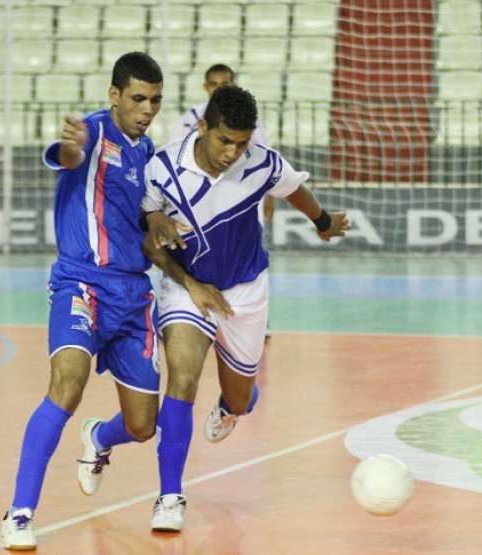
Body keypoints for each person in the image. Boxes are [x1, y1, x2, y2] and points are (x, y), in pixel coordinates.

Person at [141, 85, 350, 532]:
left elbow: (294, 189)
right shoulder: (163, 168)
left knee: (240, 399)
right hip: (187, 288)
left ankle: (232, 404)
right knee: (181, 377)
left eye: (241, 143)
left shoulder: (261, 162)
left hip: (246, 293)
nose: (232, 153)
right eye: (224, 141)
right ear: (203, 127)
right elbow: (148, 235)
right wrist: (161, 234)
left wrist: (322, 222)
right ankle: (169, 497)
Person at [0, 52, 166, 551]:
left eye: (156, 100)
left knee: (143, 425)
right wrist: (72, 149)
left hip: (133, 297)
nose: (147, 109)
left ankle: (98, 438)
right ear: (114, 96)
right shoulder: (93, 131)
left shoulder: (148, 151)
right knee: (67, 385)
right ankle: (19, 513)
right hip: (82, 285)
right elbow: (70, 156)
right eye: (138, 98)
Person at [171, 63, 275, 334]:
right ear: (206, 87)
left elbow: (265, 156)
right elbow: (175, 155)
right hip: (201, 199)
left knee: (249, 253)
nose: (218, 88)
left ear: (232, 86)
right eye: (214, 84)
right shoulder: (190, 117)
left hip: (243, 195)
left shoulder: (250, 119)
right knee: (198, 251)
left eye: (224, 84)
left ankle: (255, 320)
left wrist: (271, 196)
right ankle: (188, 313)